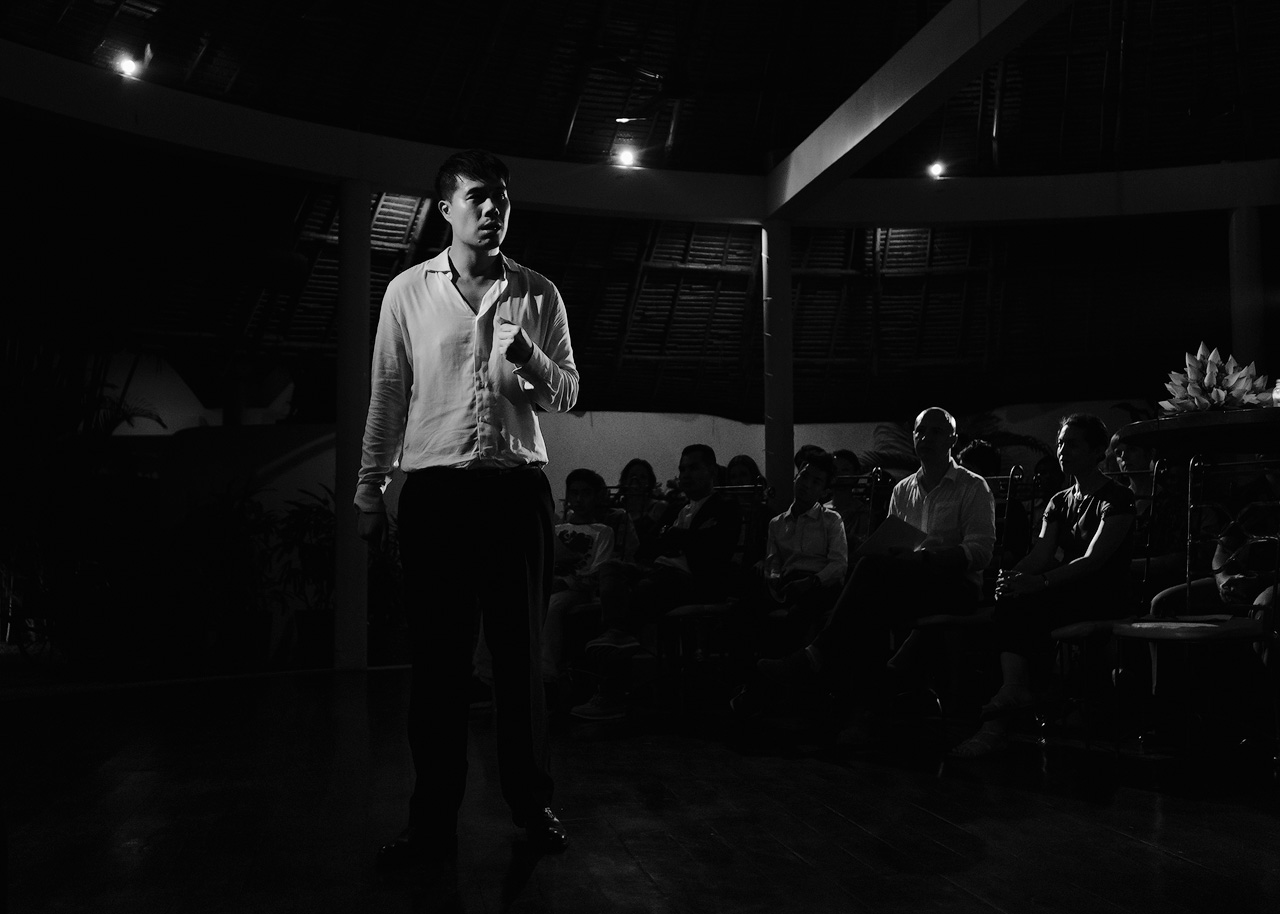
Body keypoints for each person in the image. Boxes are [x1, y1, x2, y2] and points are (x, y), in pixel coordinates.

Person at [355, 149, 578, 869]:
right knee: (440, 665)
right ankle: (431, 822)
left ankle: (532, 803)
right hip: (437, 496)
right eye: (478, 197)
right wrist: (370, 493)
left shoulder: (539, 293)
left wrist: (531, 361)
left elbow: (567, 393)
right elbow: (388, 396)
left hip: (516, 494)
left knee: (520, 660)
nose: (493, 209)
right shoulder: (406, 293)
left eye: (503, 198)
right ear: (446, 209)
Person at [733, 408, 996, 719]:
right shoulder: (903, 490)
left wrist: (924, 558)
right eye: (920, 431)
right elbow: (892, 543)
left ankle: (818, 669)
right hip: (910, 584)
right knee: (865, 604)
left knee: (867, 584)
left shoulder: (972, 486)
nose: (926, 437)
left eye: (936, 432)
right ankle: (862, 706)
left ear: (953, 438)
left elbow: (980, 552)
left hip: (956, 586)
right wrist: (895, 556)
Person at [951, 414, 1135, 758]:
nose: (1063, 450)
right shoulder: (1059, 500)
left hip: (1102, 593)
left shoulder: (1117, 498)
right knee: (1010, 600)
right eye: (1061, 442)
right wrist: (1014, 578)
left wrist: (1039, 582)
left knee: (1028, 602)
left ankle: (1012, 703)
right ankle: (1010, 697)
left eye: (1073, 444)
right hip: (1065, 588)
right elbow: (1040, 553)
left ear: (1097, 452)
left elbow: (1094, 561)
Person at [572, 443, 743, 720]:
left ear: (712, 471)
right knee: (611, 568)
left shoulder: (725, 506)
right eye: (682, 469)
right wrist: (685, 538)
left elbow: (717, 550)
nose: (685, 474)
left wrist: (675, 537)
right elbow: (646, 547)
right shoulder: (674, 509)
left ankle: (611, 689)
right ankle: (617, 635)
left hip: (695, 581)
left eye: (693, 468)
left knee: (642, 591)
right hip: (658, 572)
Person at [755, 451, 848, 647]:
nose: (806, 484)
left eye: (816, 482)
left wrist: (812, 581)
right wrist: (774, 580)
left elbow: (839, 565)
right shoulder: (777, 523)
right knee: (746, 606)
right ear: (796, 477)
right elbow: (774, 562)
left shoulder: (831, 519)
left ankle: (794, 663)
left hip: (819, 584)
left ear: (824, 492)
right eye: (804, 476)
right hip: (789, 582)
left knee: (801, 610)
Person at [828, 448, 873, 552]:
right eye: (835, 470)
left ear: (855, 474)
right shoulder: (820, 510)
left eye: (845, 470)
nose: (839, 475)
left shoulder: (863, 512)